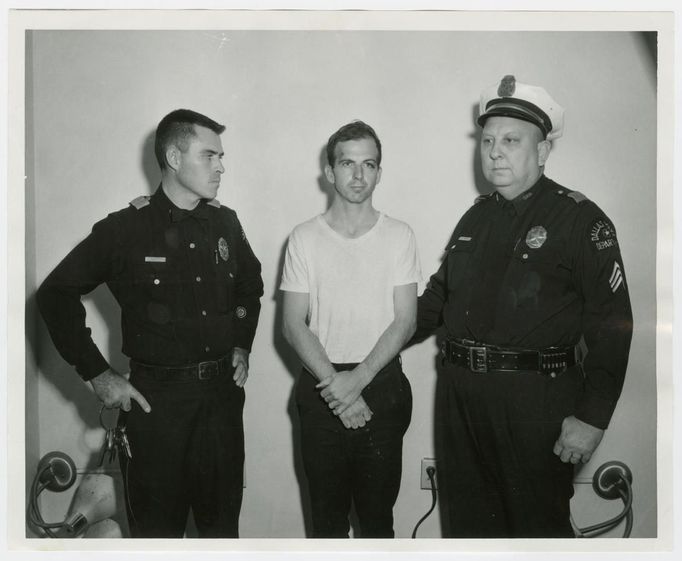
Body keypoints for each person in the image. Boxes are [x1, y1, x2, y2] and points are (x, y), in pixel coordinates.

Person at [415, 76, 633, 538]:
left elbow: (613, 325)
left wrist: (593, 417)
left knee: (535, 532)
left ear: (542, 151)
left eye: (511, 140)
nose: (495, 151)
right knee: (468, 532)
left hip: (536, 405)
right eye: (488, 140)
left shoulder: (579, 219)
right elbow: (435, 301)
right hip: (460, 400)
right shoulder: (475, 216)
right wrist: (371, 338)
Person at [37, 109, 263, 538]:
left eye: (221, 156)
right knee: (157, 536)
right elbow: (55, 293)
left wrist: (241, 343)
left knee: (222, 533)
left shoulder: (225, 223)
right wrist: (97, 374)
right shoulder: (126, 229)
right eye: (210, 155)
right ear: (174, 158)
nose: (221, 166)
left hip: (220, 405)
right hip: (156, 407)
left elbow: (250, 288)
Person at [280, 121, 421, 538]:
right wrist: (337, 387)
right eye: (347, 164)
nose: (358, 175)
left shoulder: (399, 235)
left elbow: (406, 319)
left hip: (379, 382)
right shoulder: (304, 237)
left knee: (378, 522)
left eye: (369, 164)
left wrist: (357, 382)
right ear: (329, 172)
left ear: (379, 172)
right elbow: (292, 324)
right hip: (322, 384)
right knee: (326, 524)